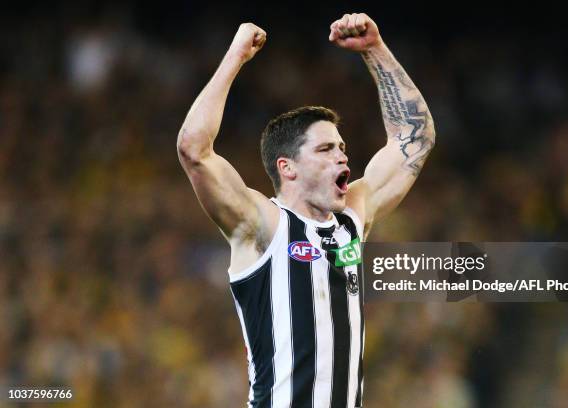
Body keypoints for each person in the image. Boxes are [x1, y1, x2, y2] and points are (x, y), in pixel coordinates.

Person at [177, 12, 435, 408]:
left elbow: (414, 140)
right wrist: (235, 57)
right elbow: (194, 150)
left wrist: (375, 49)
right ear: (288, 167)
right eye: (325, 149)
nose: (342, 158)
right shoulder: (262, 223)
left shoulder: (353, 215)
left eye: (342, 148)